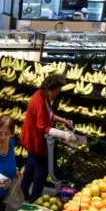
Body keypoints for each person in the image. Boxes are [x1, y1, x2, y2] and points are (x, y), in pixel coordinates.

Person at [20, 74, 78, 203]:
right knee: (41, 170)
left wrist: (62, 120)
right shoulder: (39, 102)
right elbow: (43, 128)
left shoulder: (42, 95)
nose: (58, 93)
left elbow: (49, 114)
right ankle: (35, 199)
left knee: (30, 166)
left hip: (30, 138)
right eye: (57, 90)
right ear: (50, 88)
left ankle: (22, 190)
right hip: (36, 140)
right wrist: (65, 135)